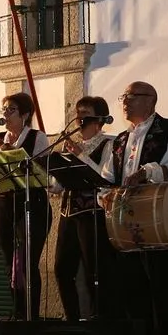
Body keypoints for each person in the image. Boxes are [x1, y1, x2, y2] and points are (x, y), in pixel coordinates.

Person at [99, 81, 168, 335]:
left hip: (157, 214)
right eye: (123, 96)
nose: (125, 101)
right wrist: (103, 195)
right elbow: (106, 175)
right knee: (131, 280)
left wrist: (147, 171)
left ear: (151, 101)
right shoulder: (120, 140)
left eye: (131, 96)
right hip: (126, 216)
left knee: (160, 279)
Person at [52, 97, 117, 322]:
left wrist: (80, 155)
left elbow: (105, 178)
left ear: (99, 118)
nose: (80, 116)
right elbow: (58, 186)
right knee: (61, 269)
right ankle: (72, 319)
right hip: (67, 214)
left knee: (95, 270)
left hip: (93, 214)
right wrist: (49, 175)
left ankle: (101, 319)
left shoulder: (110, 143)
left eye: (85, 112)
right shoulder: (68, 145)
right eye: (78, 111)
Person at [0, 92, 52, 320]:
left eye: (11, 110)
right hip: (4, 205)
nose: (5, 114)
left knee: (27, 264)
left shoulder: (37, 137)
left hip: (32, 205)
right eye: (3, 110)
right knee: (10, 265)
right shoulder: (0, 137)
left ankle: (31, 317)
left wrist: (12, 156)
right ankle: (17, 314)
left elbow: (41, 173)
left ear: (25, 114)